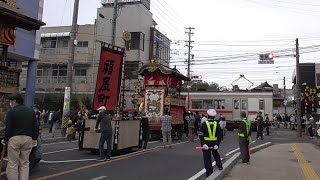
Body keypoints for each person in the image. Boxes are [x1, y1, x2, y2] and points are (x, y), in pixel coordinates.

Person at [2, 93, 39, 180]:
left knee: (13, 163)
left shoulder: (12, 111)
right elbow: (35, 127)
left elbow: (9, 128)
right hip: (28, 139)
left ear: (14, 101)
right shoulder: (31, 111)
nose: (10, 104)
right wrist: (34, 138)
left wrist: (5, 139)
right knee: (24, 163)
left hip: (15, 139)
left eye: (10, 101)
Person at [199, 109, 223, 177]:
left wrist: (204, 144)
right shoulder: (217, 124)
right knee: (215, 154)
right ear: (214, 116)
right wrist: (217, 144)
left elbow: (200, 135)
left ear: (207, 116)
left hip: (206, 143)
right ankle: (219, 165)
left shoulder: (203, 124)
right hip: (214, 143)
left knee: (207, 158)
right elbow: (220, 135)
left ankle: (209, 172)